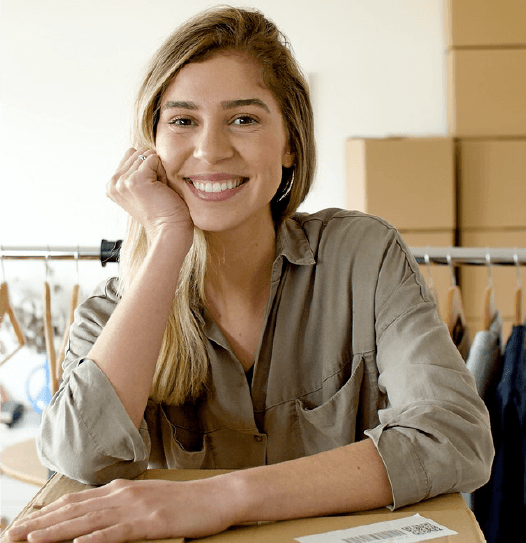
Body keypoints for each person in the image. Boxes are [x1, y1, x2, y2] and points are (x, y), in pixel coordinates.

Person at [6, 6, 493, 543]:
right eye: (183, 120)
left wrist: (222, 497)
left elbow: (455, 437)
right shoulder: (112, 312)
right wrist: (168, 240)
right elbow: (77, 463)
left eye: (244, 119)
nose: (211, 150)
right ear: (151, 148)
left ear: (289, 144)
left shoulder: (363, 255)